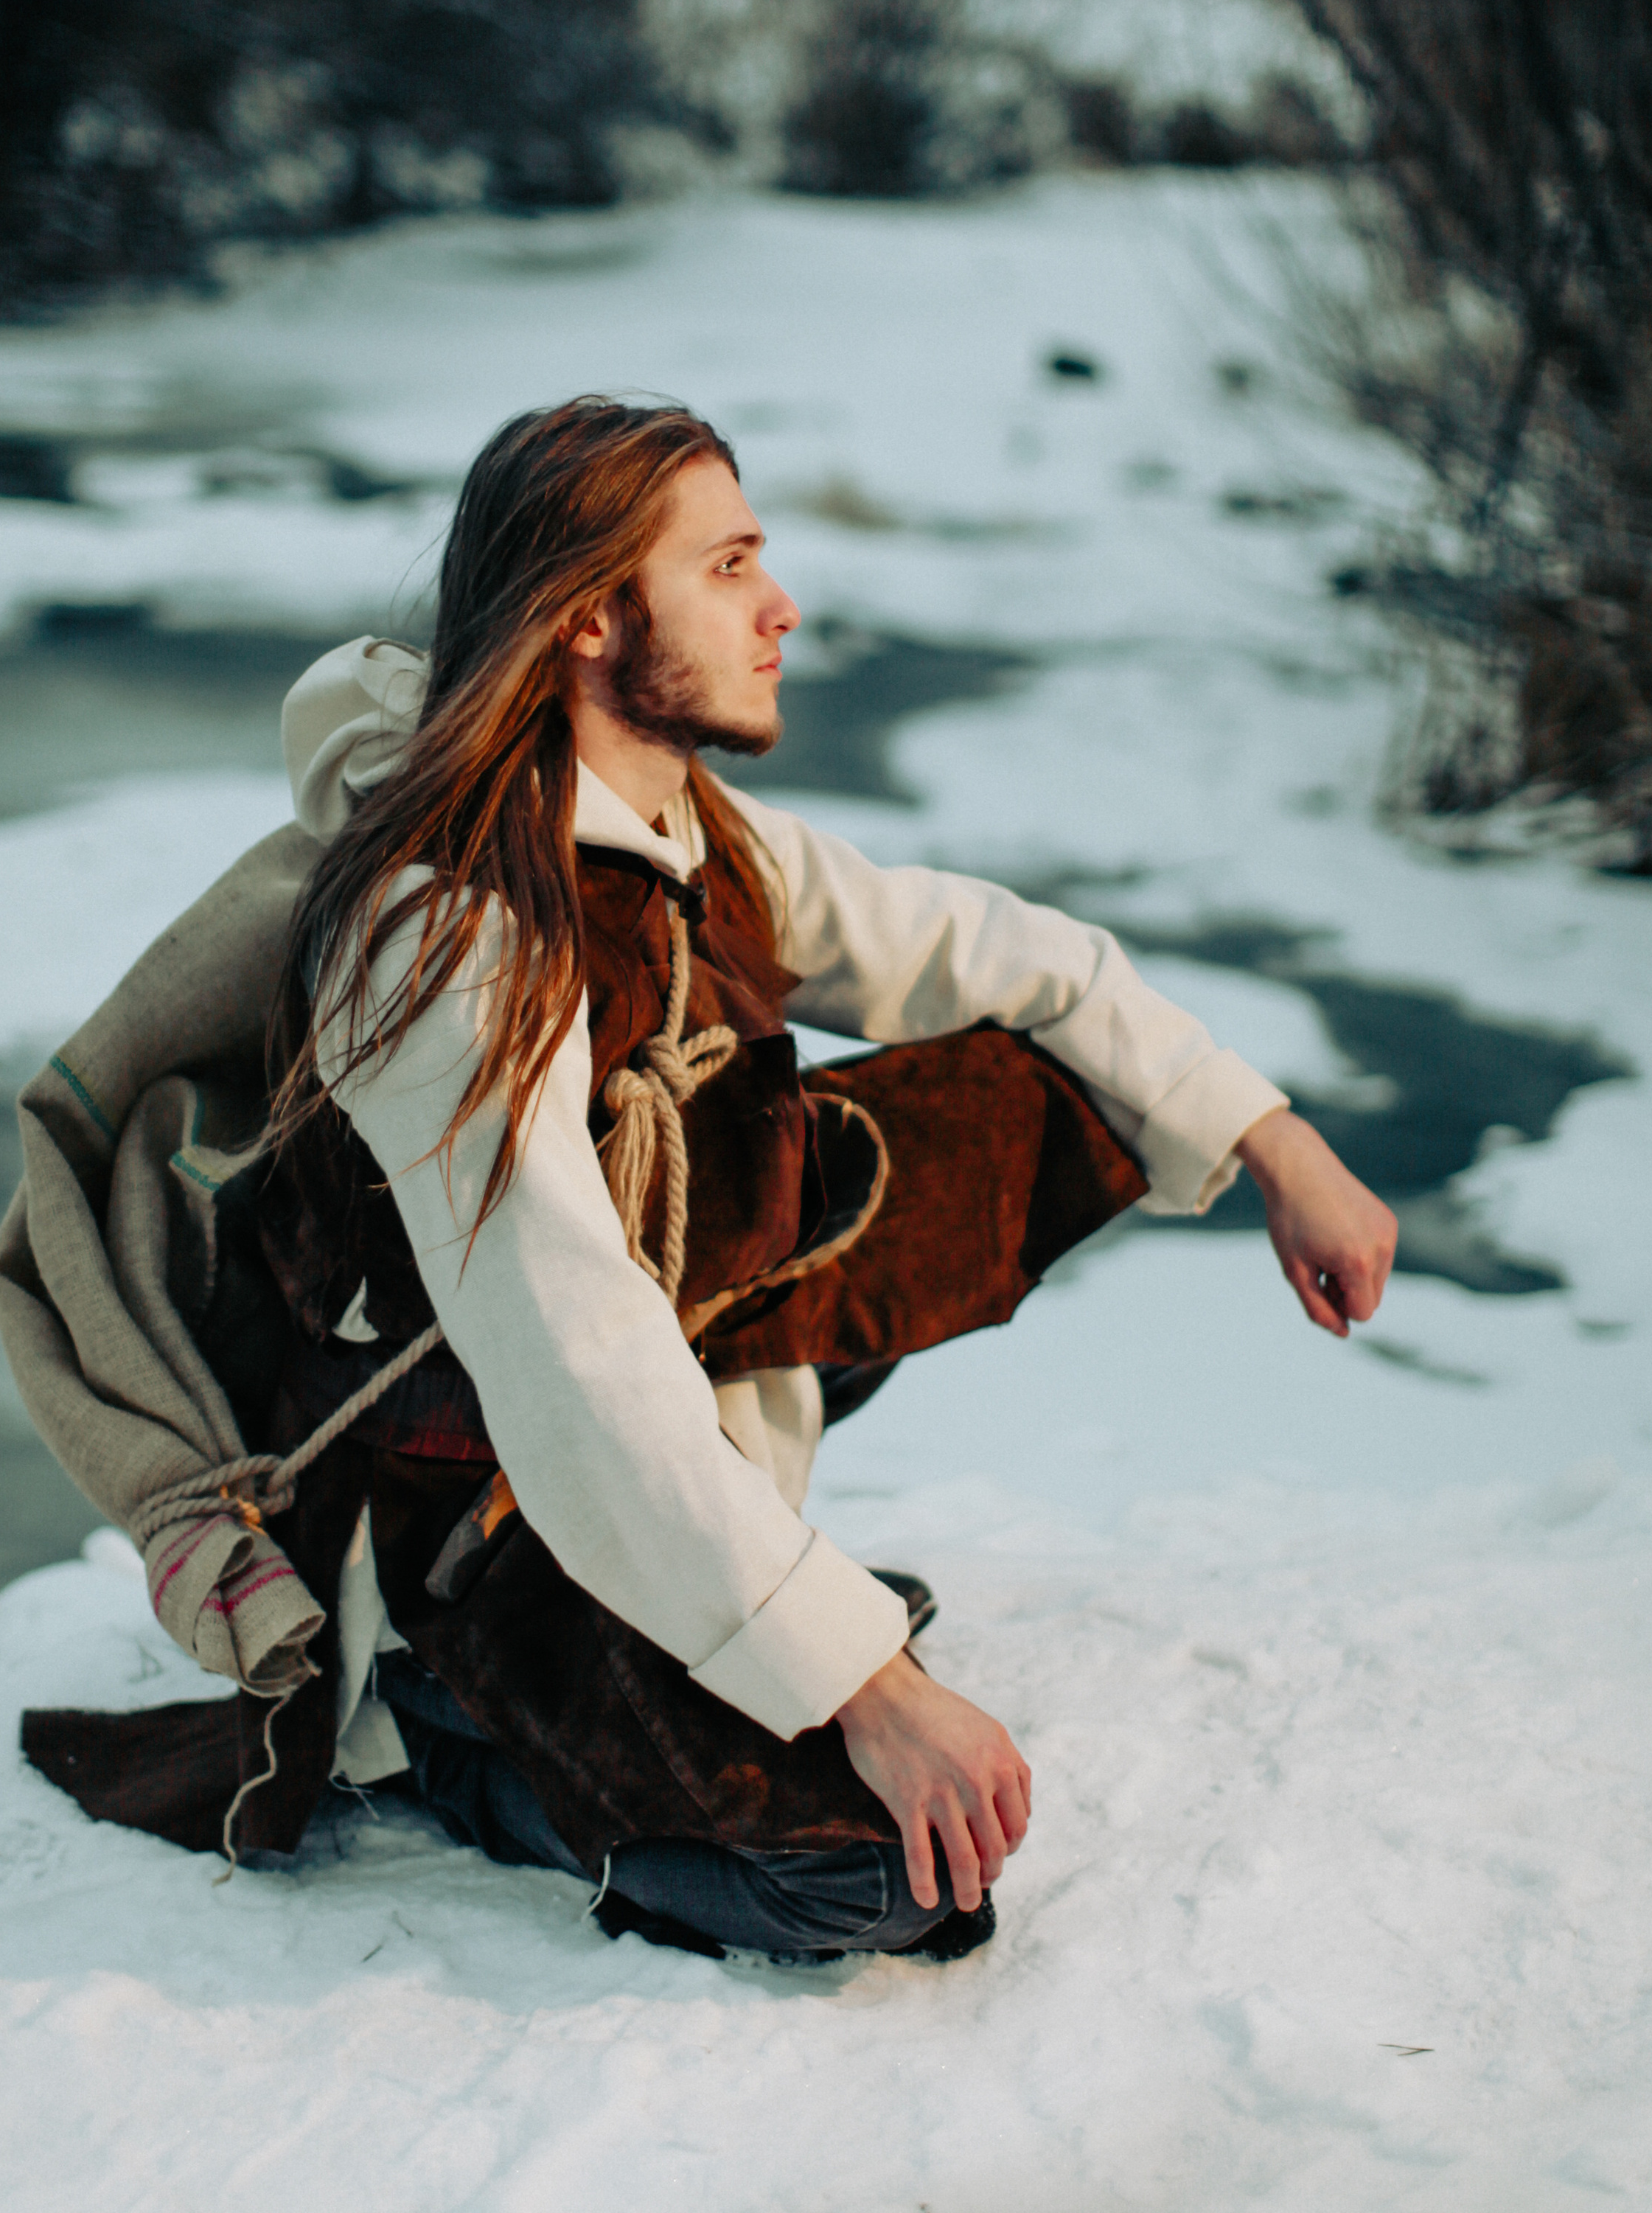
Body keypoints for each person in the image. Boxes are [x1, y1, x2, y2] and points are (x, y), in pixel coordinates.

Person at [256, 394, 1396, 1965]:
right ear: (588, 615)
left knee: (1057, 1084)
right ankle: (446, 1742)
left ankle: (728, 1600)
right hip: (472, 1520)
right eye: (726, 566)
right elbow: (577, 1367)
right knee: (886, 1884)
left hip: (631, 1410)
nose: (778, 605)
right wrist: (866, 1683)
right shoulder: (448, 939)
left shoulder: (690, 836)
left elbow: (1005, 953)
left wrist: (1274, 1140)